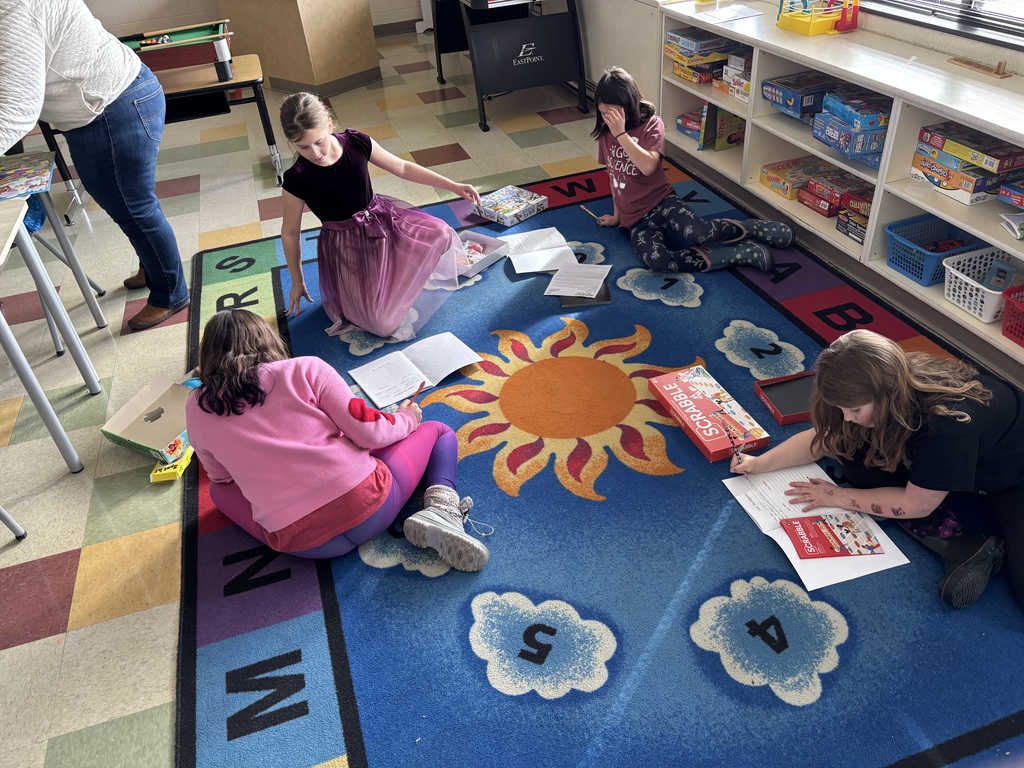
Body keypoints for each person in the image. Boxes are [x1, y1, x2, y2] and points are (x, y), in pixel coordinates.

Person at [730, 329, 1024, 611]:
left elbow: (915, 505)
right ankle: (962, 543)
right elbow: (826, 437)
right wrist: (759, 464)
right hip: (956, 456)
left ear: (887, 394)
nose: (848, 417)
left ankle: (960, 542)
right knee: (859, 464)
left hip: (1011, 477)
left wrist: (836, 496)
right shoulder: (889, 378)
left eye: (855, 410)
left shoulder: (945, 428)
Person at [185, 309, 491, 570]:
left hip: (304, 544)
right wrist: (408, 418)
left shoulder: (196, 407)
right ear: (268, 340)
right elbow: (369, 433)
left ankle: (280, 514)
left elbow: (221, 476)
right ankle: (442, 507)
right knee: (438, 431)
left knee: (218, 491)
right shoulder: (305, 368)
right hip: (371, 508)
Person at [0, 0, 190, 331]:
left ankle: (171, 294)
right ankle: (154, 268)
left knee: (134, 209)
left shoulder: (11, 9)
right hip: (112, 102)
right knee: (125, 205)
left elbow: (17, 109)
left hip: (112, 110)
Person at [279, 92, 482, 341]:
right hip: (347, 247)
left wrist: (452, 184)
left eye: (319, 141)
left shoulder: (356, 142)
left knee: (441, 233)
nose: (315, 152)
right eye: (303, 147)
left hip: (384, 222)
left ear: (330, 125)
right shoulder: (297, 177)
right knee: (382, 324)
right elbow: (290, 232)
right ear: (292, 143)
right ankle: (385, 285)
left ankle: (395, 278)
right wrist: (297, 280)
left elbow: (403, 167)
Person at [590, 66, 793, 274]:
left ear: (629, 104)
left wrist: (621, 134)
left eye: (613, 114)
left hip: (662, 202)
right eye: (604, 113)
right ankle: (734, 254)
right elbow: (615, 178)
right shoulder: (606, 135)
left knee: (699, 234)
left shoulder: (651, 125)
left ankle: (750, 228)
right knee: (657, 263)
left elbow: (648, 167)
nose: (608, 119)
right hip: (636, 220)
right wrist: (617, 216)